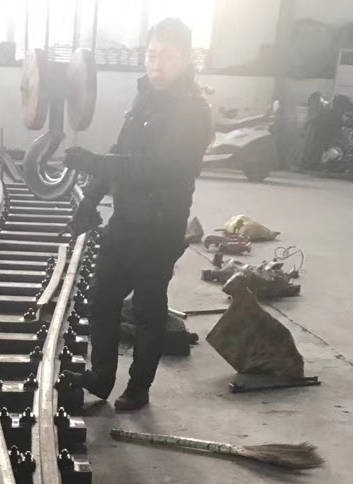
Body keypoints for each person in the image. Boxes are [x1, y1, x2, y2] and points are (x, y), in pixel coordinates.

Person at [65, 18, 212, 412]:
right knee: (102, 299)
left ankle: (139, 387)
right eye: (151, 55)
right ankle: (101, 377)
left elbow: (157, 167)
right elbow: (120, 151)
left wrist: (94, 162)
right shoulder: (143, 98)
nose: (156, 65)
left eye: (166, 57)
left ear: (186, 58)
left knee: (148, 309)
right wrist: (89, 201)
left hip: (161, 227)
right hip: (126, 220)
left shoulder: (194, 111)